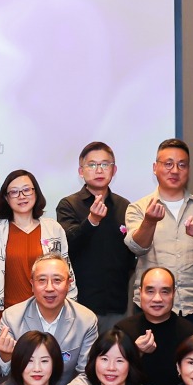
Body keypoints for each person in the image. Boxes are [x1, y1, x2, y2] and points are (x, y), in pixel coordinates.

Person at [124, 139, 193, 333]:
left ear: (188, 170)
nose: (175, 170)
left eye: (181, 165)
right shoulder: (138, 208)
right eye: (168, 164)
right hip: (150, 307)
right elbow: (137, 247)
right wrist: (149, 221)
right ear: (155, 168)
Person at [0, 255, 98, 385]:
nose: (49, 288)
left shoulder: (86, 320)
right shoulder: (12, 318)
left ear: (69, 283)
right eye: (42, 280)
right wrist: (4, 357)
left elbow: (87, 374)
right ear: (32, 284)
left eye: (57, 280)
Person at [56, 141, 136, 331]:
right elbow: (68, 244)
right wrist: (91, 221)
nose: (99, 170)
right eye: (92, 165)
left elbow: (130, 254)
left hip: (117, 303)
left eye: (105, 164)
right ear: (81, 171)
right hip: (79, 303)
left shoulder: (125, 206)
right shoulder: (68, 205)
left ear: (114, 170)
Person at [0, 169, 75, 325]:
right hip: (8, 317)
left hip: (48, 316)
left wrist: (72, 308)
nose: (21, 196)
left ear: (36, 193)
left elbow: (66, 271)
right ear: (6, 198)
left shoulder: (53, 228)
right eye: (14, 192)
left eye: (26, 190)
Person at [114, 268, 193, 385]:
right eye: (150, 291)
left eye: (165, 292)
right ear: (140, 293)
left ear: (173, 294)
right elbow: (111, 375)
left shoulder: (190, 334)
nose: (157, 298)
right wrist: (135, 352)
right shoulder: (123, 330)